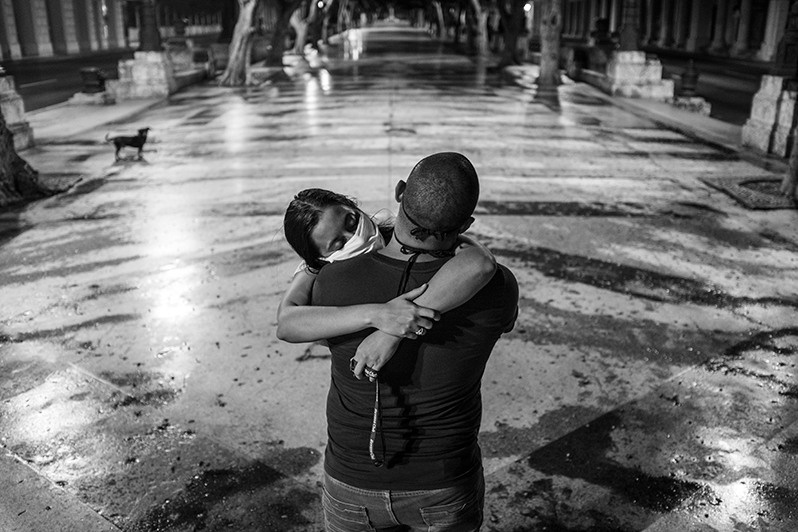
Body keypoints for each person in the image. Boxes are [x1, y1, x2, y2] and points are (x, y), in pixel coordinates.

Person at [312, 152, 519, 532]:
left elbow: (316, 334)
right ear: (466, 224)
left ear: (399, 192)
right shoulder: (498, 287)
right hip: (444, 481)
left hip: (352, 478)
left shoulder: (333, 281)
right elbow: (484, 274)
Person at [277, 188, 498, 375]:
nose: (356, 237)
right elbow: (287, 324)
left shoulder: (397, 232)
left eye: (352, 222)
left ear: (353, 206)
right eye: (338, 244)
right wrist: (378, 315)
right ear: (320, 258)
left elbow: (480, 261)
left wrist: (390, 333)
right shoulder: (317, 273)